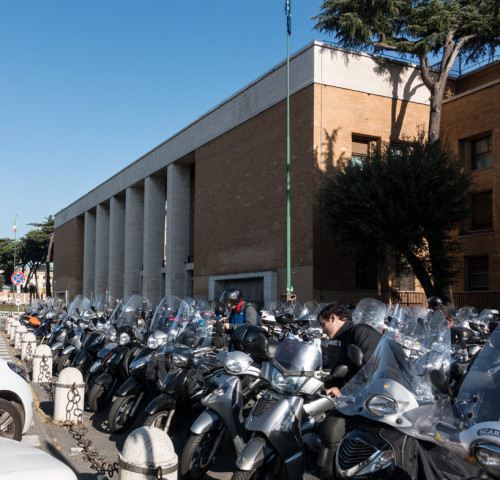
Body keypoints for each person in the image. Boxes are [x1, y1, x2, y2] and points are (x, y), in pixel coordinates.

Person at [315, 302, 382, 480]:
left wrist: (344, 390)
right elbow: (342, 370)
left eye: (323, 324)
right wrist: (324, 384)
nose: (322, 330)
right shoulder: (345, 339)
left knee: (332, 426)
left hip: (375, 398)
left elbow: (369, 369)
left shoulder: (360, 332)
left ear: (333, 318)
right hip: (358, 396)